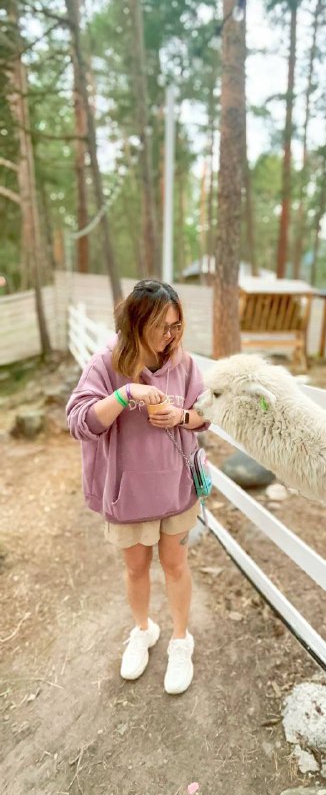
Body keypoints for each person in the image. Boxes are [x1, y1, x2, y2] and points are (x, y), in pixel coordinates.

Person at [66, 280, 209, 694]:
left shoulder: (185, 363)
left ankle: (181, 640)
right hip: (126, 493)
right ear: (137, 321)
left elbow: (205, 413)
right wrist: (126, 394)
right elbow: (80, 422)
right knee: (136, 567)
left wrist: (182, 418)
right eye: (164, 326)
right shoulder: (105, 362)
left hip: (177, 490)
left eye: (176, 326)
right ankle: (143, 630)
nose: (171, 336)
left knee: (176, 565)